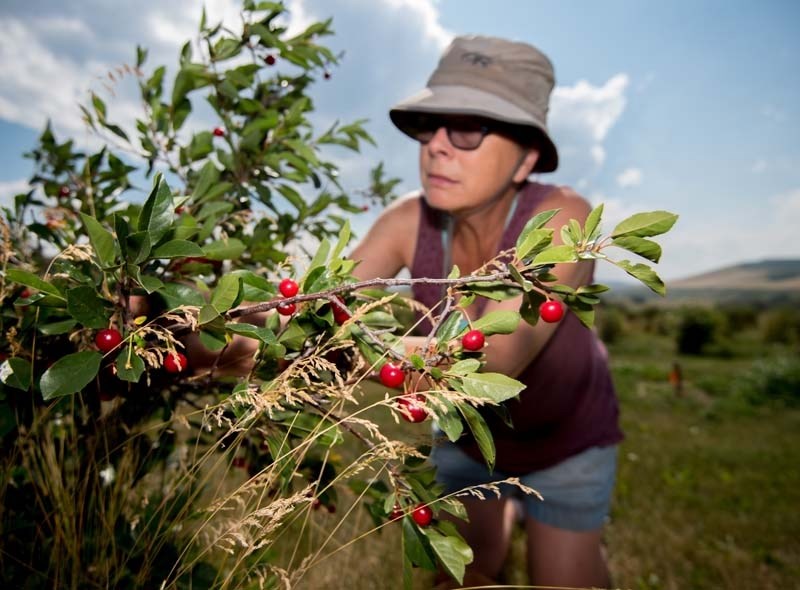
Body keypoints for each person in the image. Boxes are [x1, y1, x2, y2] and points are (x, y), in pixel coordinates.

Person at [349, 35, 623, 588]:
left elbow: (491, 364)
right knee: (466, 577)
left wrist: (338, 345)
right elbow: (316, 306)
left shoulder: (564, 218)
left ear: (525, 159)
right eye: (430, 126)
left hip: (565, 442)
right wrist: (186, 325)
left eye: (469, 128)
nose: (437, 147)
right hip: (469, 440)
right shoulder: (408, 222)